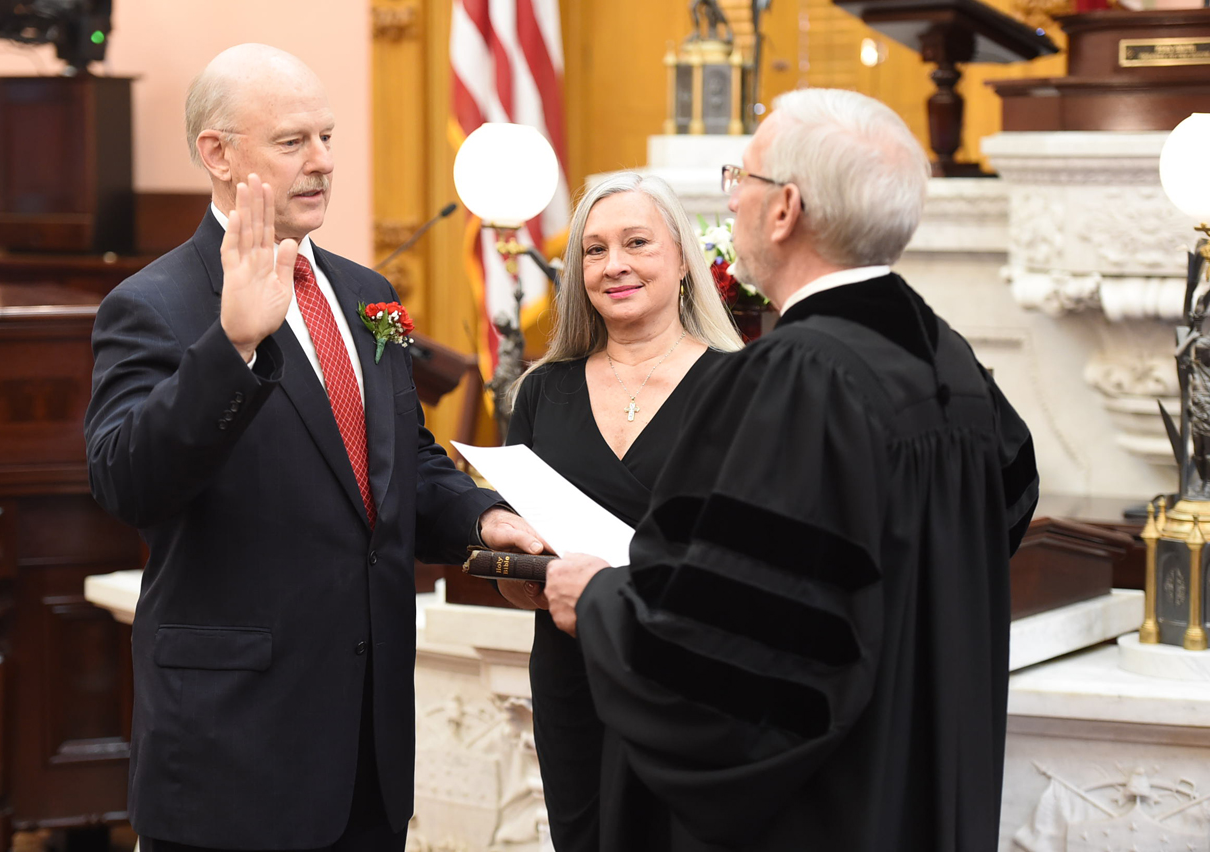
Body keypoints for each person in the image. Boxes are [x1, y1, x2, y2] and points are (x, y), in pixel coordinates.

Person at [544, 88, 1039, 851]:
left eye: (740, 178)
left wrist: (604, 602)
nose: (731, 199)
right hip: (928, 781)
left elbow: (734, 660)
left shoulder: (799, 380)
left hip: (826, 809)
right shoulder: (952, 363)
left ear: (786, 210)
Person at [83, 44, 542, 852]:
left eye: (327, 138)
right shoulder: (151, 304)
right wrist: (230, 348)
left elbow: (401, 460)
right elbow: (127, 482)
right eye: (293, 142)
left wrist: (483, 519)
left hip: (369, 749)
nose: (324, 162)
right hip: (234, 755)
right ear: (217, 155)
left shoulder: (369, 295)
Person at [501, 172, 743, 851]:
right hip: (573, 672)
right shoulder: (542, 393)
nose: (615, 265)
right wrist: (522, 573)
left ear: (683, 261)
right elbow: (517, 570)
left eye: (637, 242)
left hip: (693, 677)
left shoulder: (741, 386)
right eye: (595, 250)